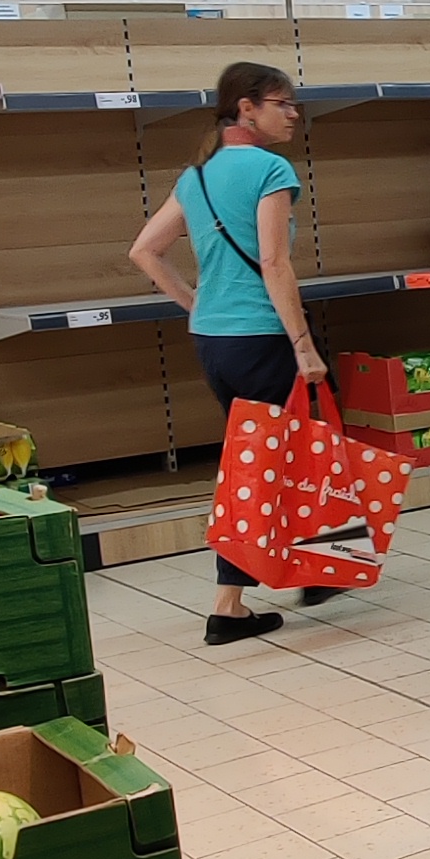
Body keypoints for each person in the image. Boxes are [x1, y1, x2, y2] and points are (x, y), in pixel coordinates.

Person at [131, 61, 332, 646]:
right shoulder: (270, 169)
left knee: (270, 456)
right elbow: (274, 262)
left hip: (215, 341)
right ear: (247, 108)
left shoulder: (196, 176)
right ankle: (232, 603)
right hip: (263, 337)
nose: (293, 115)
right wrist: (304, 346)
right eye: (283, 104)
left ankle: (308, 572)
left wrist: (196, 304)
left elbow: (144, 250)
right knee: (268, 461)